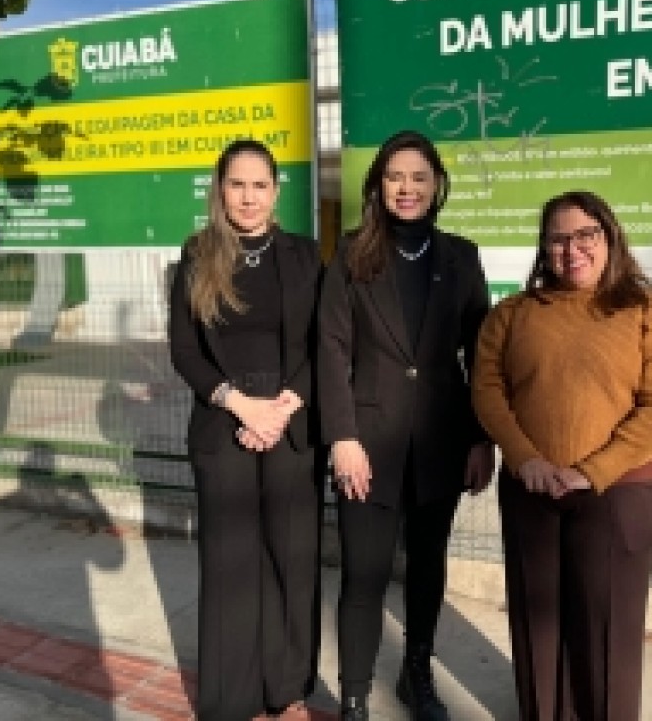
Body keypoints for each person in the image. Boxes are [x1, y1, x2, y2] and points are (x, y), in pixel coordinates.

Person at [471, 190, 652, 721]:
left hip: (622, 489)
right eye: (558, 239)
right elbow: (487, 389)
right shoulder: (513, 316)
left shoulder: (651, 315)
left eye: (585, 236)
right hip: (532, 486)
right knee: (537, 625)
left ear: (610, 238)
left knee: (607, 627)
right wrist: (525, 458)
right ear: (543, 248)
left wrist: (592, 471)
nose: (572, 250)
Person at [317, 130, 495, 721]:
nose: (407, 188)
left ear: (437, 184)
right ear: (378, 185)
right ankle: (354, 696)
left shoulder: (462, 257)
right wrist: (342, 438)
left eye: (419, 177)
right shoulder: (351, 255)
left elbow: (481, 356)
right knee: (363, 577)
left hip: (442, 444)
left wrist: (480, 438)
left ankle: (416, 675)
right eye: (395, 176)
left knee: (426, 570)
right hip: (366, 447)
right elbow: (331, 351)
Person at [169, 139, 322, 721]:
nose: (249, 197)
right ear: (220, 189)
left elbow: (326, 342)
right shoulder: (197, 255)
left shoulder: (306, 256)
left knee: (291, 558)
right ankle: (233, 700)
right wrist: (240, 406)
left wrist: (280, 409)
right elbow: (185, 351)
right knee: (231, 563)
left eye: (260, 185)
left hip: (290, 421)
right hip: (223, 422)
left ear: (276, 191)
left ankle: (287, 689)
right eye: (237, 184)